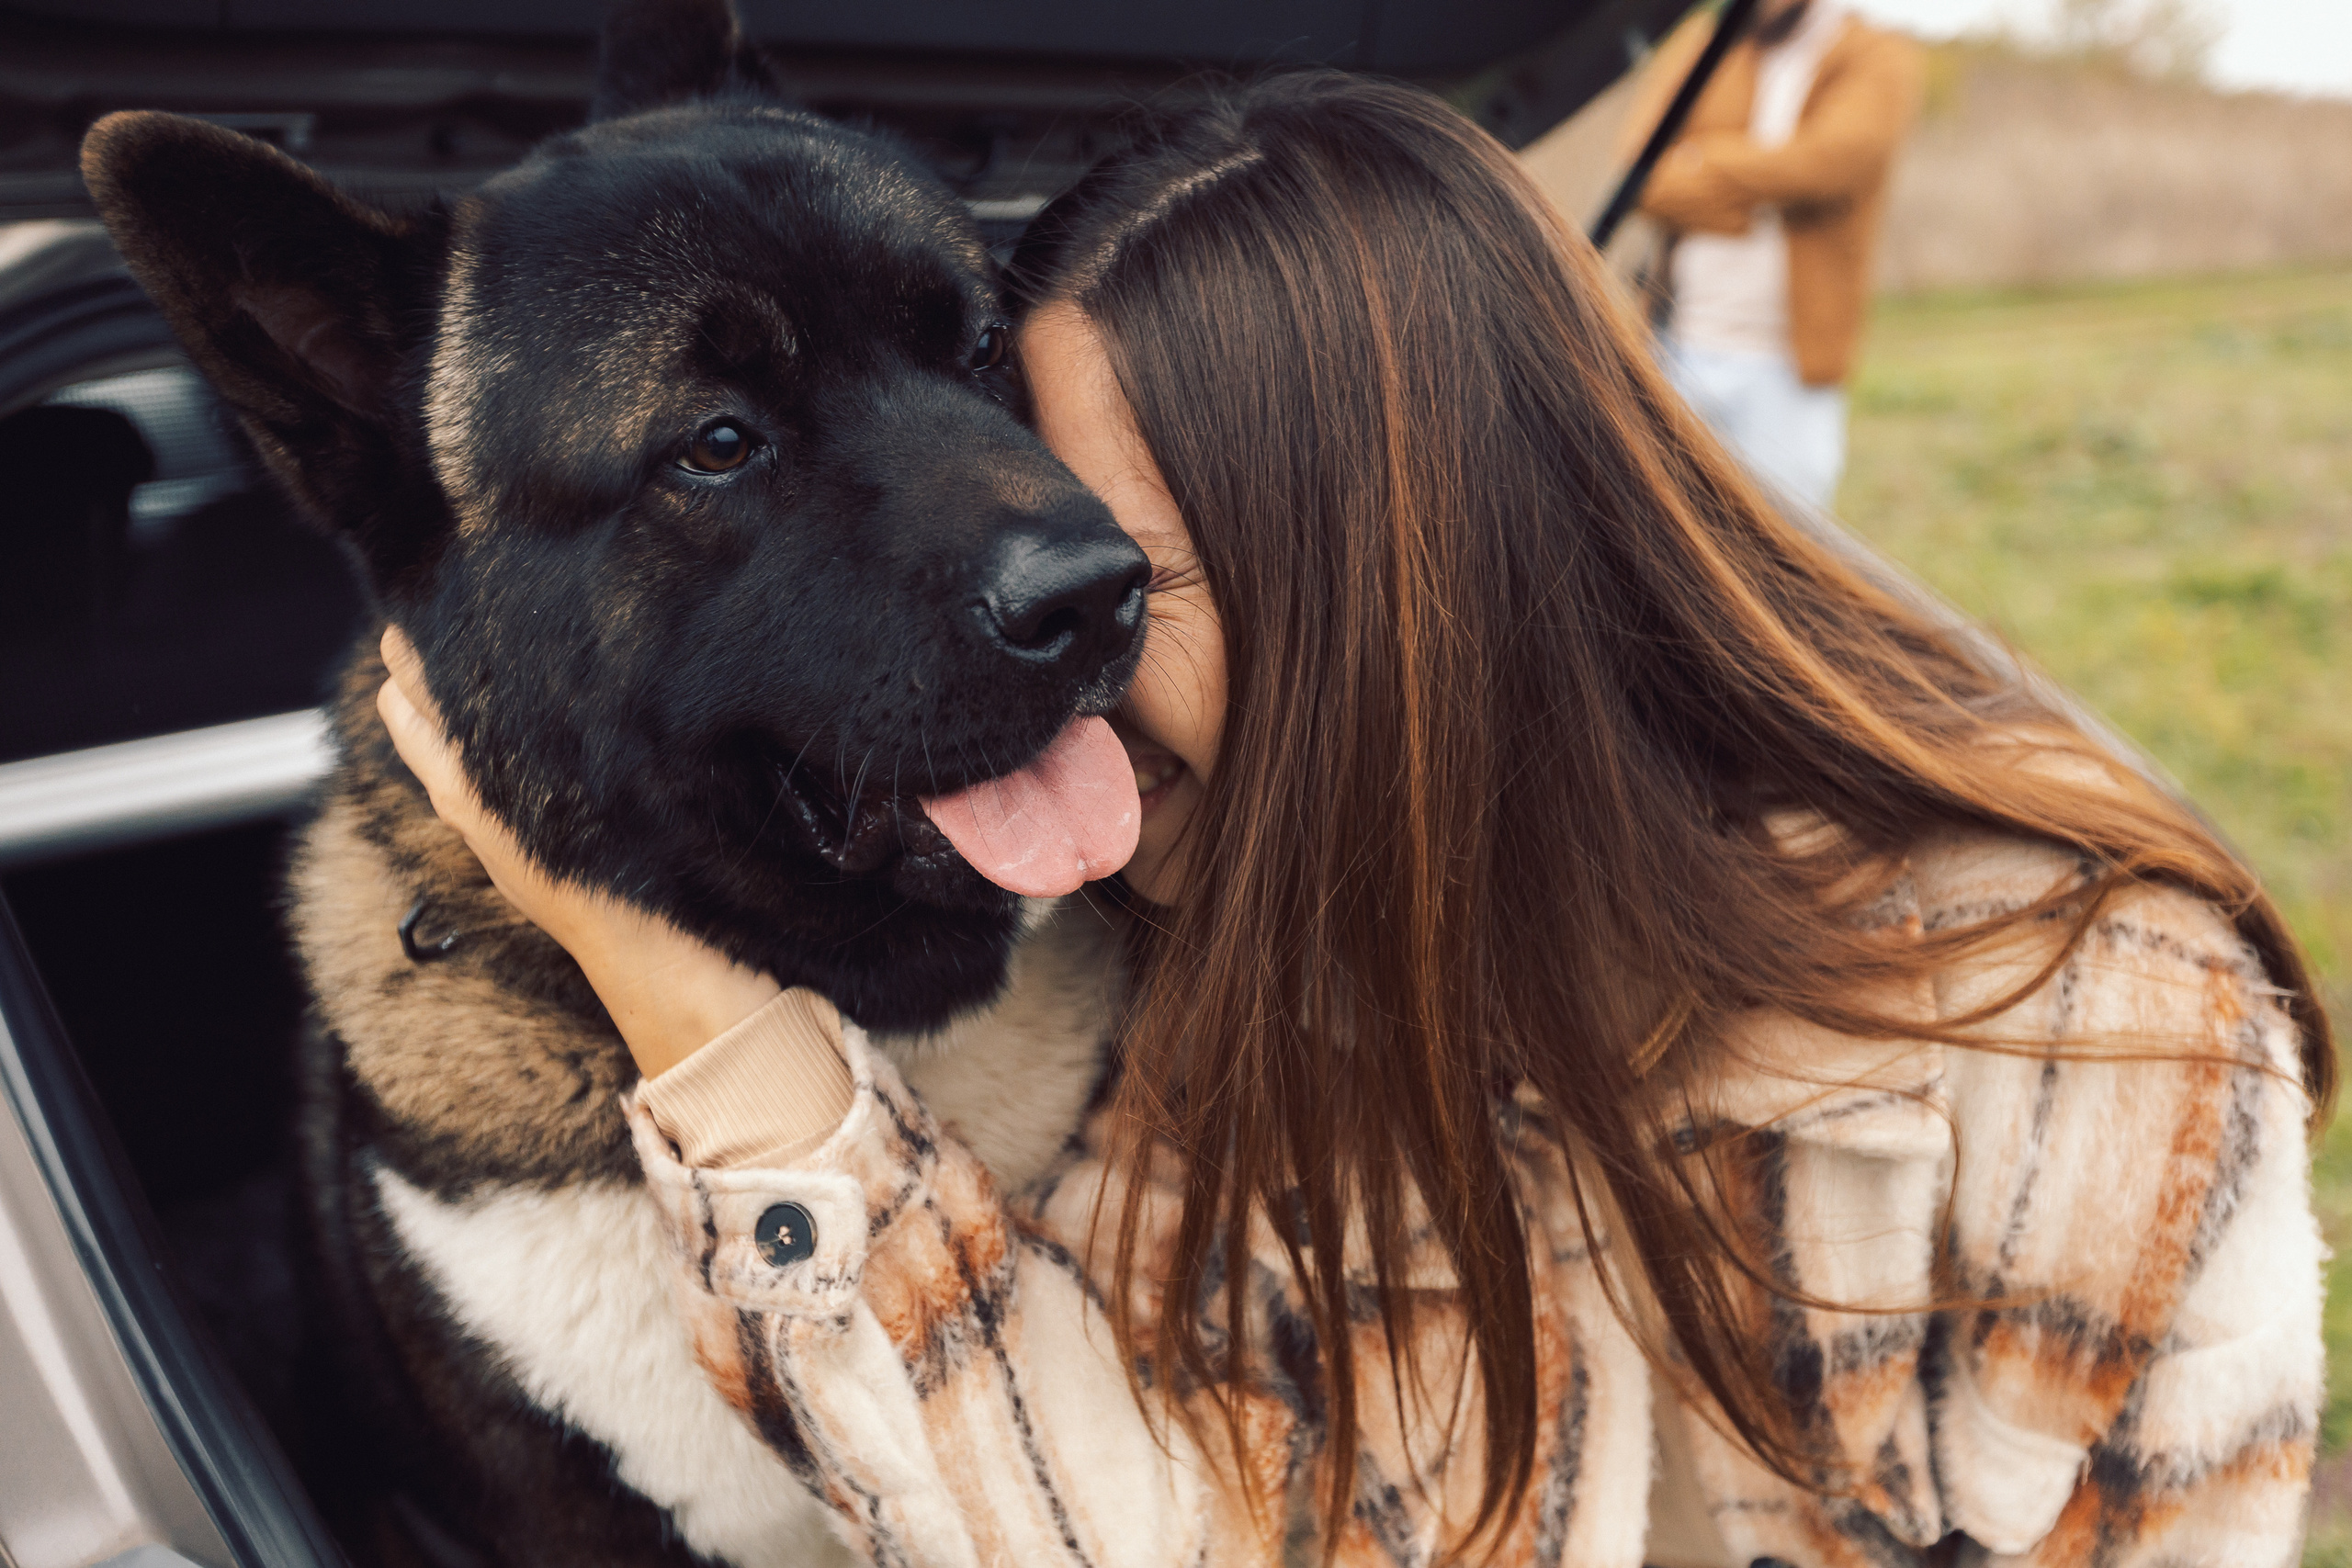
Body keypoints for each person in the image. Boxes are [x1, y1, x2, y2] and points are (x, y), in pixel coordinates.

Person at [377, 72, 2327, 1568]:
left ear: (1422, 592)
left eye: (1112, 592)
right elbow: (1118, 1523)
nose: (1046, 674)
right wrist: (674, 995)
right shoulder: (1202, 973)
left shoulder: (2084, 1033)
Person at [1623, 0, 1924, 512]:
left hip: (1787, 367)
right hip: (1676, 347)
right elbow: (1639, 173)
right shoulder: (1703, 47)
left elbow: (1830, 165)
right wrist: (1757, 200)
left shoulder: (1875, 55)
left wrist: (1702, 162)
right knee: (1664, 540)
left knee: (1788, 552)